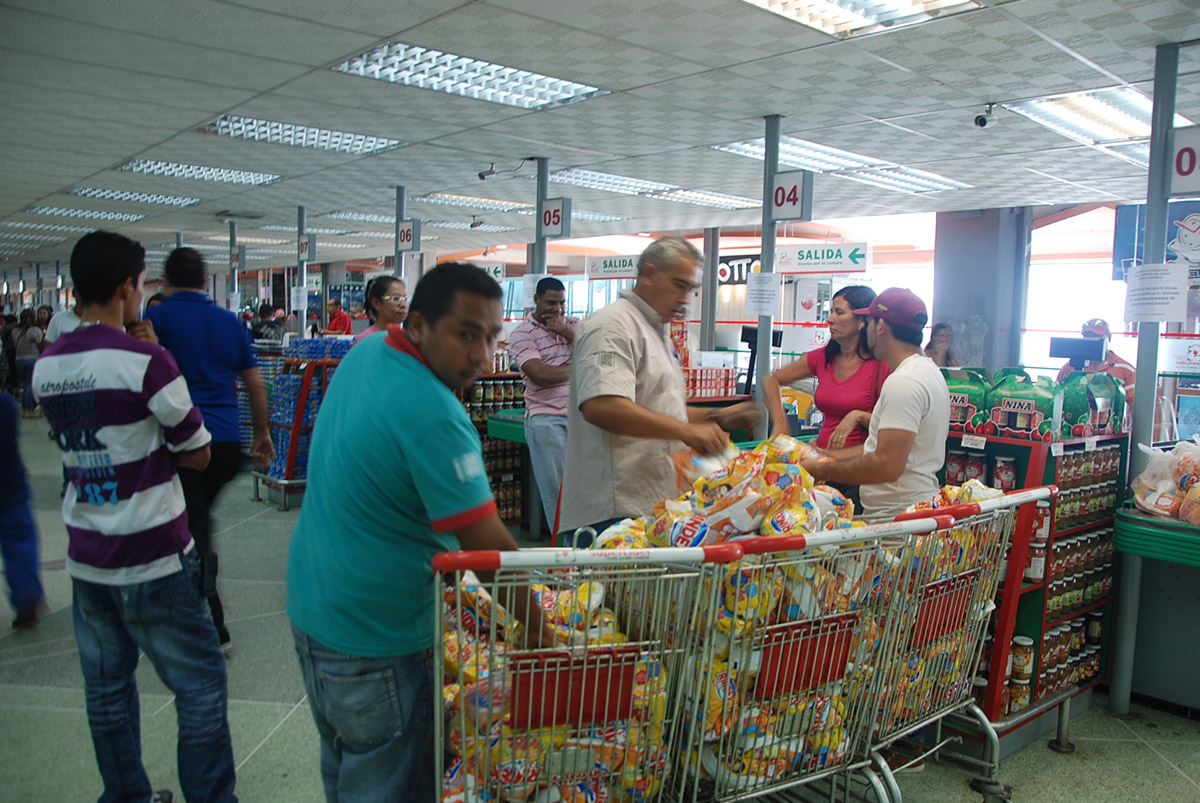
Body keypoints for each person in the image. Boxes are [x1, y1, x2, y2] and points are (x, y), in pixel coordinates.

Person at [287, 262, 553, 803]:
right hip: (376, 639)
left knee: (344, 768)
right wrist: (543, 633)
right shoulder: (435, 413)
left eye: (490, 336)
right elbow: (486, 550)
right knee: (391, 785)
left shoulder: (368, 349)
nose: (481, 354)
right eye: (464, 334)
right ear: (418, 327)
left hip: (313, 609)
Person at [33, 230, 237, 803]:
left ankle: (125, 797)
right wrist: (162, 362)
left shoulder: (47, 366)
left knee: (106, 690)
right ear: (128, 286)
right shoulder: (146, 360)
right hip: (154, 557)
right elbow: (197, 450)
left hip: (88, 556)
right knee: (199, 685)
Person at [559, 236, 757, 536]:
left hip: (655, 506)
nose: (685, 299)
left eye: (691, 290)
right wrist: (686, 431)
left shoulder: (655, 330)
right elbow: (602, 406)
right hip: (616, 510)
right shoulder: (612, 325)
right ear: (649, 274)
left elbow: (659, 407)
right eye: (679, 285)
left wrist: (719, 417)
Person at [145, 247, 274, 655]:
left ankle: (211, 627)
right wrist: (262, 433)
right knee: (194, 520)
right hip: (224, 443)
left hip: (180, 442)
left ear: (165, 279)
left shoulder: (157, 319)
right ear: (206, 280)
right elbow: (255, 384)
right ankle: (190, 612)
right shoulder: (229, 322)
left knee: (192, 527)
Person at [800, 287, 950, 520]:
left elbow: (887, 465)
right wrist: (827, 455)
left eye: (867, 321)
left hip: (896, 519)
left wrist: (822, 469)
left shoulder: (904, 382)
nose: (864, 329)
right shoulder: (928, 371)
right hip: (910, 508)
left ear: (880, 326)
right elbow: (888, 446)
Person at [761, 285, 890, 514]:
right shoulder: (824, 357)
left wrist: (857, 417)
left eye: (839, 312)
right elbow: (771, 380)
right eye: (831, 311)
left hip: (857, 474)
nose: (830, 319)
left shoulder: (881, 365)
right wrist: (780, 422)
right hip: (820, 469)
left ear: (861, 320)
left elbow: (889, 426)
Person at [509, 277, 579, 533]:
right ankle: (565, 562)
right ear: (536, 300)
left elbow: (600, 354)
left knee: (583, 492)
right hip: (546, 420)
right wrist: (579, 364)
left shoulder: (573, 325)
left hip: (581, 418)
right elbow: (540, 375)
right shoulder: (521, 332)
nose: (558, 309)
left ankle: (585, 558)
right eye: (551, 303)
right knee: (558, 497)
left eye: (562, 302)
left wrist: (567, 333)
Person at [0, 392, 47, 629]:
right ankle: (26, 598)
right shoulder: (6, 404)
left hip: (11, 484)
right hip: (10, 484)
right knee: (19, 541)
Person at [1055, 318, 1136, 405]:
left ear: (1109, 337)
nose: (1092, 342)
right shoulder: (1070, 367)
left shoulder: (1127, 370)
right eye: (1088, 338)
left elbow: (1134, 406)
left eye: (1097, 337)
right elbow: (1056, 396)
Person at [353, 275, 408, 344]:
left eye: (405, 299)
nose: (403, 305)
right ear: (376, 303)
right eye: (396, 298)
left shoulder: (404, 338)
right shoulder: (366, 340)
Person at [11, 309, 43, 416]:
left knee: (25, 385)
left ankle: (24, 409)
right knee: (30, 385)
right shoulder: (35, 330)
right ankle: (28, 409)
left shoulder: (15, 331)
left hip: (19, 360)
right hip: (32, 359)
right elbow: (40, 345)